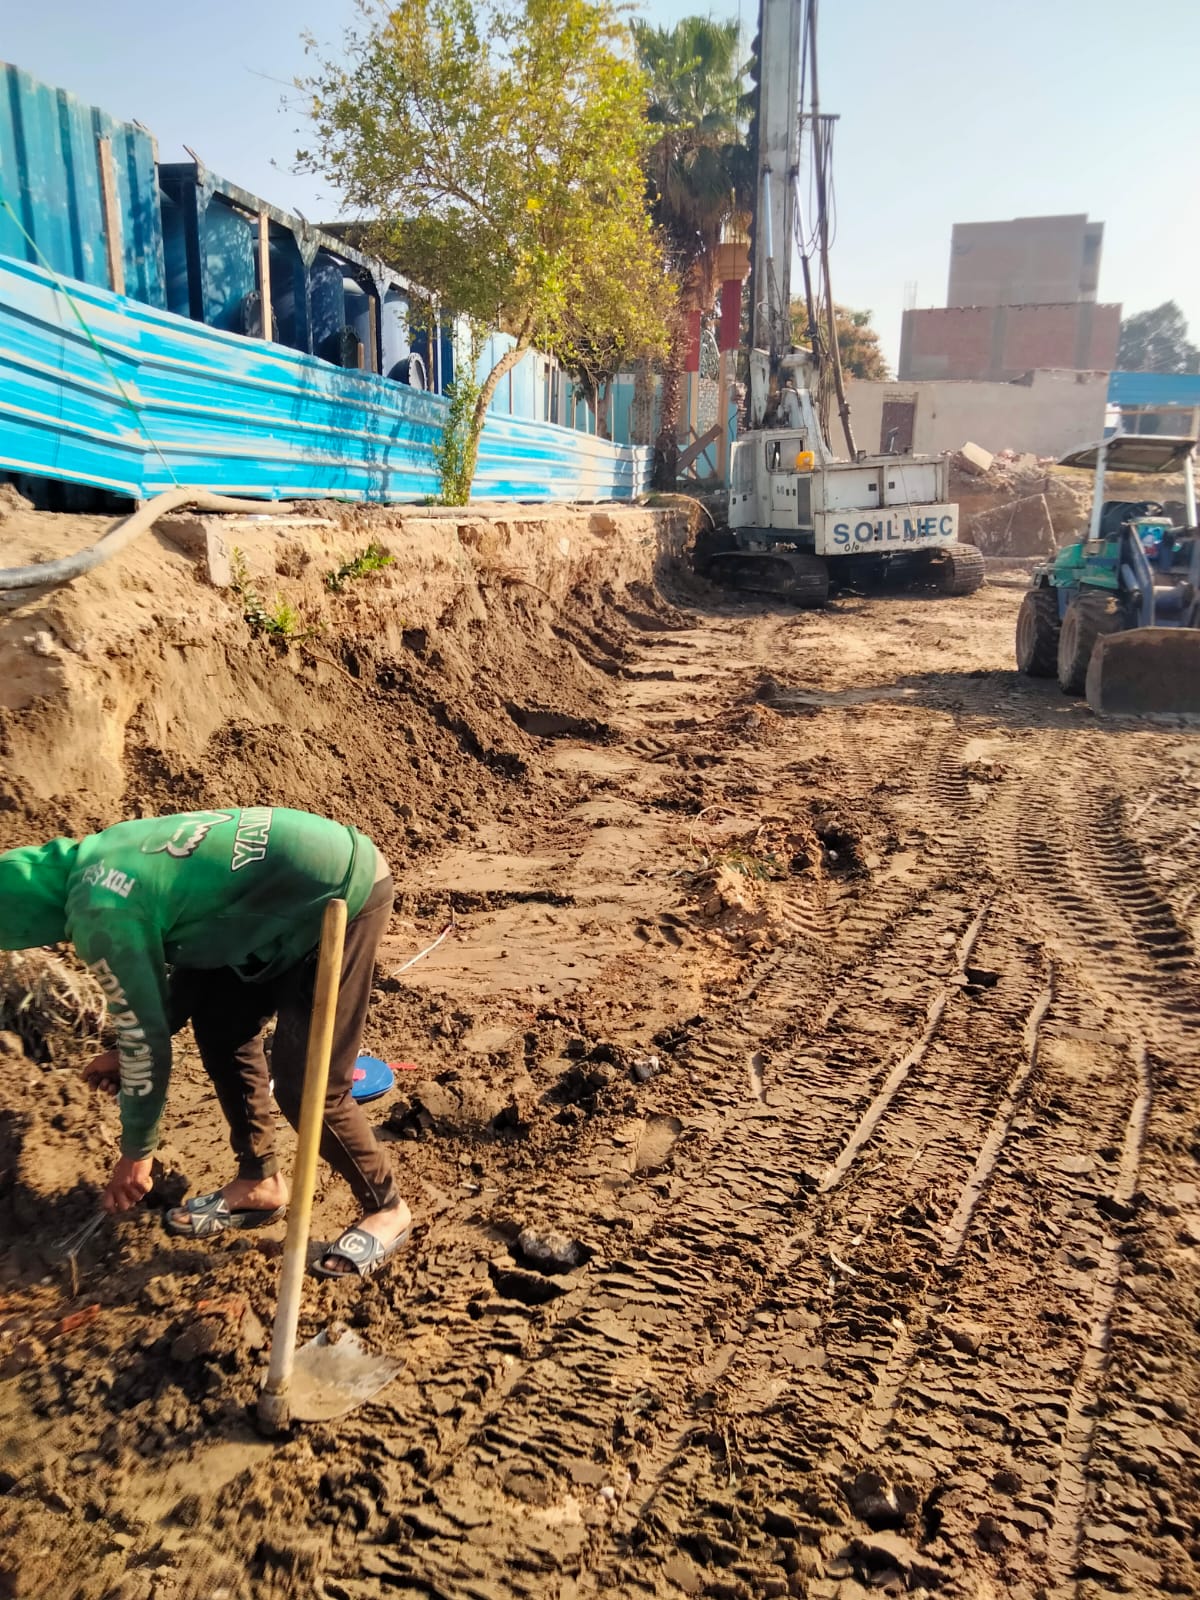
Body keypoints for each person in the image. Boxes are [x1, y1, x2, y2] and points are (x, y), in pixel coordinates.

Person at [0, 807, 410, 1278]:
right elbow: (195, 950)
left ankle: (387, 1207)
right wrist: (125, 1053)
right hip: (268, 898)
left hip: (338, 891)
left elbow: (145, 1042)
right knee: (221, 1026)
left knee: (310, 1084)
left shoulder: (101, 913)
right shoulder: (96, 857)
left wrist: (136, 1155)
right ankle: (259, 1180)